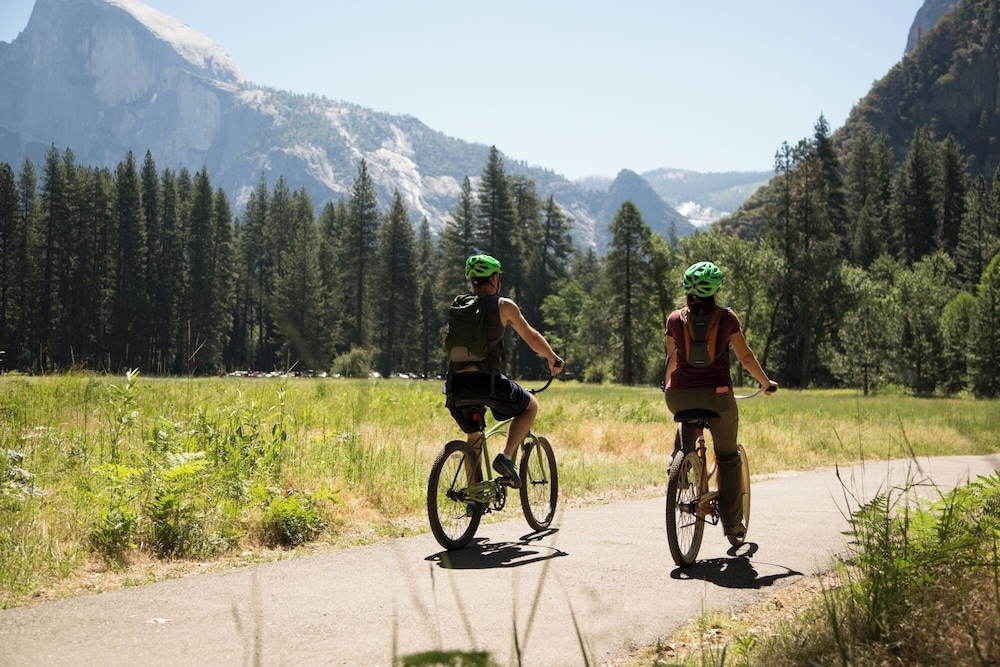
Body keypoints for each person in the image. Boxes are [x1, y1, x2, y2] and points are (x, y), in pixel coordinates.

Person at [663, 261, 777, 540]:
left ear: (687, 289)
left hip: (677, 397)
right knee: (727, 456)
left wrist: (667, 385)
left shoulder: (675, 319)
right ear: (715, 290)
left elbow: (672, 359)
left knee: (687, 422)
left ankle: (680, 462)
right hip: (718, 398)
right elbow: (746, 357)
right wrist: (765, 383)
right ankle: (733, 525)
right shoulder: (727, 318)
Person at [446, 254, 563, 488]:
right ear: (494, 279)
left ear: (473, 281)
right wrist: (553, 358)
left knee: (474, 438)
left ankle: (473, 497)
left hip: (455, 386)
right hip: (487, 383)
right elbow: (531, 337)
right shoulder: (503, 305)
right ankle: (506, 457)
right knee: (530, 405)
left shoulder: (460, 306)